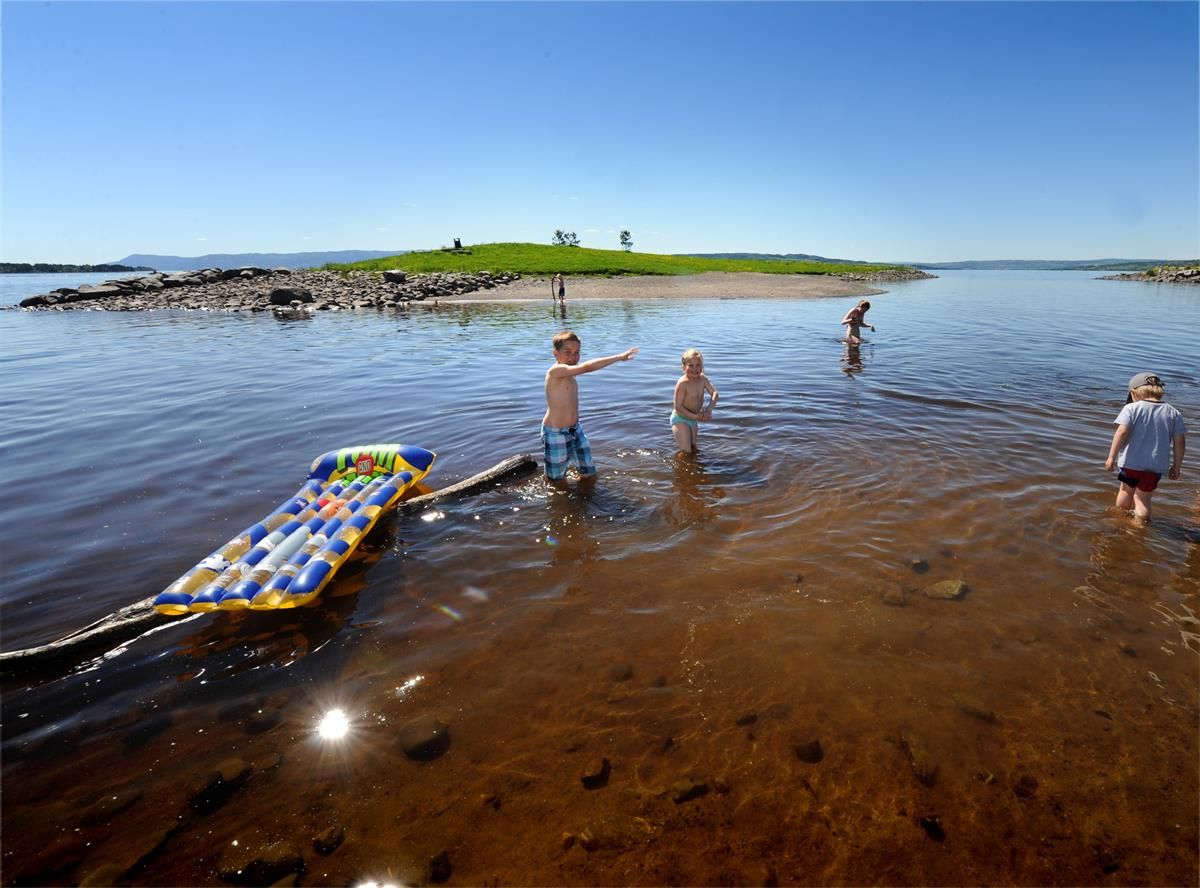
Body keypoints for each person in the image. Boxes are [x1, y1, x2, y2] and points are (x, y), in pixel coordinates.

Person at [542, 331, 638, 485]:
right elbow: (587, 367)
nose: (573, 357)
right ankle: (559, 505)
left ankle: (585, 500)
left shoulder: (569, 371)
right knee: (556, 481)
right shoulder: (556, 371)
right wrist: (619, 357)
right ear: (555, 353)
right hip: (556, 433)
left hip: (575, 430)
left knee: (589, 473)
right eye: (568, 352)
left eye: (577, 352)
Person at [1104, 372, 1186, 522]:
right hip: (1155, 467)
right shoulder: (1174, 413)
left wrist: (1111, 457)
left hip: (1131, 463)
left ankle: (1119, 520)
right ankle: (1139, 527)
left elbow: (1121, 432)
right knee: (1143, 499)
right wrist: (1176, 466)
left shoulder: (1131, 408)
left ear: (1133, 393)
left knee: (1125, 491)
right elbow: (1180, 442)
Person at [671, 348, 719, 454]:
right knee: (686, 451)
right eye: (691, 365)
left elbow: (715, 394)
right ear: (684, 367)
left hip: (693, 419)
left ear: (702, 366)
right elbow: (678, 407)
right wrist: (696, 416)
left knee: (694, 448)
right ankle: (681, 468)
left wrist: (709, 409)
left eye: (698, 365)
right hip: (681, 419)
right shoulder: (683, 383)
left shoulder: (703, 379)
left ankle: (692, 467)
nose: (695, 369)